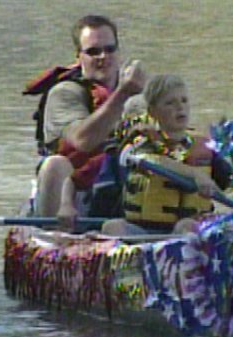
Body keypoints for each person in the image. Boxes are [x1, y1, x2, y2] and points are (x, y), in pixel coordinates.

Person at [101, 74, 233, 235]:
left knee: (186, 226)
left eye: (184, 101)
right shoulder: (141, 142)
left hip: (187, 232)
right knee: (112, 227)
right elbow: (151, 161)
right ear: (153, 112)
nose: (180, 107)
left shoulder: (204, 148)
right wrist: (195, 174)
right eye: (170, 103)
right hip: (143, 233)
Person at [28, 15, 146, 221]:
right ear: (78, 56)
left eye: (110, 49)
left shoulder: (138, 98)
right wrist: (123, 94)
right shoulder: (64, 93)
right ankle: (56, 237)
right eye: (93, 51)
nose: (103, 56)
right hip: (73, 192)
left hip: (121, 184)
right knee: (55, 164)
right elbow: (84, 141)